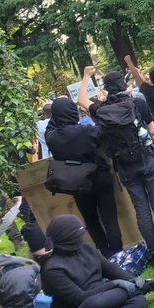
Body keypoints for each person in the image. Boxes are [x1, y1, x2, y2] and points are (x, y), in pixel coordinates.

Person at [79, 67, 154, 263]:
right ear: (123, 84)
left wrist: (86, 77)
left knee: (141, 210)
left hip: (125, 167)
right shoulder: (137, 102)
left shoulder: (101, 110)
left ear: (107, 89)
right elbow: (152, 132)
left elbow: (82, 101)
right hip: (147, 159)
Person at [41, 215, 154, 308]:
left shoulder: (84, 248)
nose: (82, 237)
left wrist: (132, 279)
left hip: (105, 300)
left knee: (140, 301)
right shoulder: (52, 269)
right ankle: (148, 286)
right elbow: (80, 299)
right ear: (66, 238)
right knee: (95, 303)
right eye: (77, 235)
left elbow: (110, 269)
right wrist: (114, 284)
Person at [44, 97, 121, 257]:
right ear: (73, 111)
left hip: (76, 184)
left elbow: (51, 125)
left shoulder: (52, 137)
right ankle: (117, 251)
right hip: (99, 176)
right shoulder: (87, 131)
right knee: (109, 217)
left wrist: (56, 113)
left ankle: (104, 251)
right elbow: (103, 129)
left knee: (90, 219)